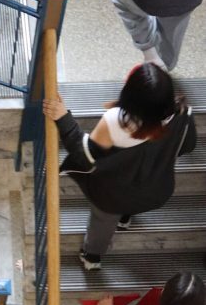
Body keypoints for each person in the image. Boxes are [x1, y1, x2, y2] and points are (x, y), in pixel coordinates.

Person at [43, 64, 196, 270]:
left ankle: (92, 257)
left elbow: (84, 154)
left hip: (113, 196)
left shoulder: (116, 122)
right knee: (132, 192)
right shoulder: (182, 113)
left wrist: (64, 119)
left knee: (103, 222)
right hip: (157, 190)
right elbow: (188, 145)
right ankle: (125, 219)